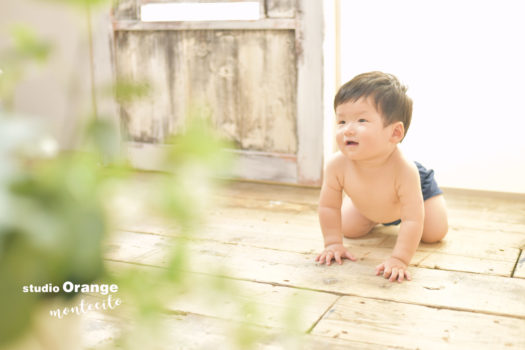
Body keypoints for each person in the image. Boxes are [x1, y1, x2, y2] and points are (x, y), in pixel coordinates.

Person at [315, 71, 448, 283]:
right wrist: (332, 243)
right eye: (341, 121)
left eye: (361, 120)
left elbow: (412, 219)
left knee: (434, 234)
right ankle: (373, 214)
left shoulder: (405, 170)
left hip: (417, 194)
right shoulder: (336, 165)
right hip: (372, 201)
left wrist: (399, 259)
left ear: (394, 133)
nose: (347, 129)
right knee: (349, 229)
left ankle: (429, 205)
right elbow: (328, 207)